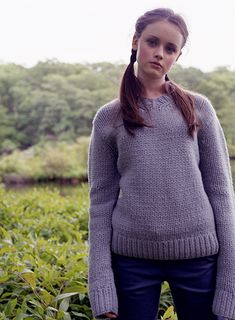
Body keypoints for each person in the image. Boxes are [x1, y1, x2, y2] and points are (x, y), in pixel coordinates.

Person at [87, 7, 235, 320]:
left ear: (177, 56)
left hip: (199, 258)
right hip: (131, 262)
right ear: (136, 41)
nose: (159, 53)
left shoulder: (198, 108)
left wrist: (229, 284)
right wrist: (101, 288)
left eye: (170, 48)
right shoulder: (108, 117)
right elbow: (100, 202)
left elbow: (221, 193)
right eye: (152, 42)